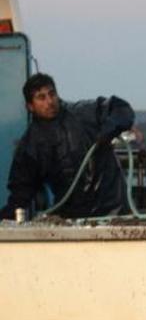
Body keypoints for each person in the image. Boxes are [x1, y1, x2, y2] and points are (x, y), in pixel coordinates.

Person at [1, 73, 136, 219]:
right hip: (72, 220)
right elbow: (20, 194)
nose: (49, 101)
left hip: (115, 213)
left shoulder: (84, 113)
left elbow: (120, 108)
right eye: (41, 97)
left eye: (52, 94)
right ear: (30, 106)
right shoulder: (30, 147)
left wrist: (111, 128)